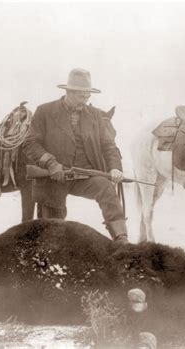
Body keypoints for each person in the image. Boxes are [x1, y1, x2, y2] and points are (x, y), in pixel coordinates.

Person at [23, 68, 128, 243]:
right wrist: (50, 163)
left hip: (86, 177)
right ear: (69, 92)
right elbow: (30, 143)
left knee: (106, 189)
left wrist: (115, 167)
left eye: (88, 97)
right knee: (52, 228)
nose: (85, 101)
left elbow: (109, 146)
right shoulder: (44, 112)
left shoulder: (95, 116)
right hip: (53, 178)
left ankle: (121, 240)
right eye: (81, 97)